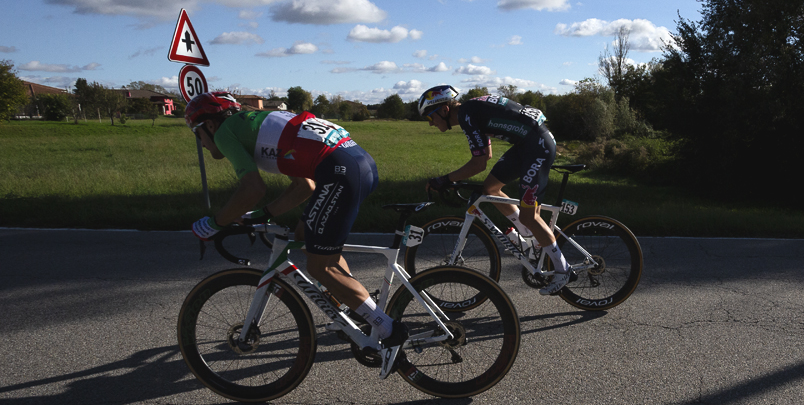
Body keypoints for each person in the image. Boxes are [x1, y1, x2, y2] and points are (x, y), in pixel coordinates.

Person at [184, 91, 407, 373]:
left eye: (197, 133)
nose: (201, 144)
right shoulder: (261, 125)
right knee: (305, 235)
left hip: (340, 172)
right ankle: (354, 306)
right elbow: (304, 187)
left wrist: (215, 224)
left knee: (319, 266)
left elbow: (252, 188)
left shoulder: (228, 130)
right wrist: (263, 215)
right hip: (356, 164)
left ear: (210, 125)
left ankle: (387, 329)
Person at [417, 85, 574, 295]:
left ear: (444, 109)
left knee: (530, 216)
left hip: (537, 147)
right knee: (490, 189)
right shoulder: (471, 111)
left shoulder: (467, 114)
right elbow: (486, 154)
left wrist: (444, 179)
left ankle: (563, 270)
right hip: (527, 145)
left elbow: (479, 163)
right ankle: (531, 240)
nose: (430, 124)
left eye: (430, 117)